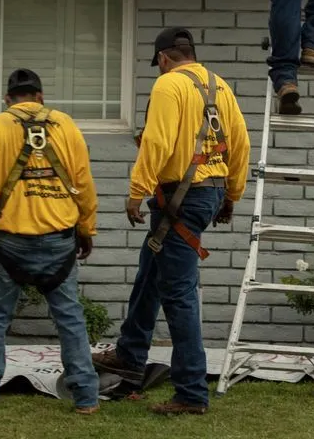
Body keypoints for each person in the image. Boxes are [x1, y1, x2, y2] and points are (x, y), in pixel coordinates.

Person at [92, 26, 250, 415]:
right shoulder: (219, 86)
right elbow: (241, 143)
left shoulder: (168, 86)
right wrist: (231, 195)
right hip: (207, 191)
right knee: (151, 271)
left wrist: (136, 190)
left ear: (164, 58)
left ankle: (192, 393)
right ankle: (130, 354)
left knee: (179, 294)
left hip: (180, 197)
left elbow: (158, 142)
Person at [0, 68, 100, 415]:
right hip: (59, 242)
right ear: (40, 97)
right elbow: (83, 183)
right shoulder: (66, 126)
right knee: (70, 318)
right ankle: (86, 398)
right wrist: (87, 229)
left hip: (11, 243)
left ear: (8, 100)